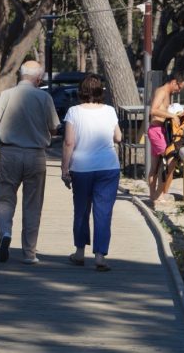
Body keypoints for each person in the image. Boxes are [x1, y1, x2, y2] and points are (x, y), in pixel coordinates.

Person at [0, 61, 60, 264]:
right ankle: (29, 253)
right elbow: (54, 128)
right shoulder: (44, 97)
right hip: (35, 155)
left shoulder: (4, 96)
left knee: (5, 198)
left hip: (9, 153)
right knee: (32, 204)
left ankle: (5, 232)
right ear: (38, 79)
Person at [61, 74, 121, 271]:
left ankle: (79, 253)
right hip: (108, 167)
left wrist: (64, 168)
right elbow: (118, 137)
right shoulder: (110, 111)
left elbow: (69, 142)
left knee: (81, 210)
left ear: (81, 91)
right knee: (103, 212)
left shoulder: (73, 112)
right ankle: (100, 256)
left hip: (82, 168)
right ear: (100, 91)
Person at [147, 72, 184, 203]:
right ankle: (158, 194)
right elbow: (153, 110)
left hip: (162, 130)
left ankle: (154, 196)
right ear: (174, 82)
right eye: (179, 87)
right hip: (156, 130)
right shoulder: (162, 91)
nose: (179, 91)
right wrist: (172, 116)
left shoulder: (167, 94)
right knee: (170, 160)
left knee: (156, 165)